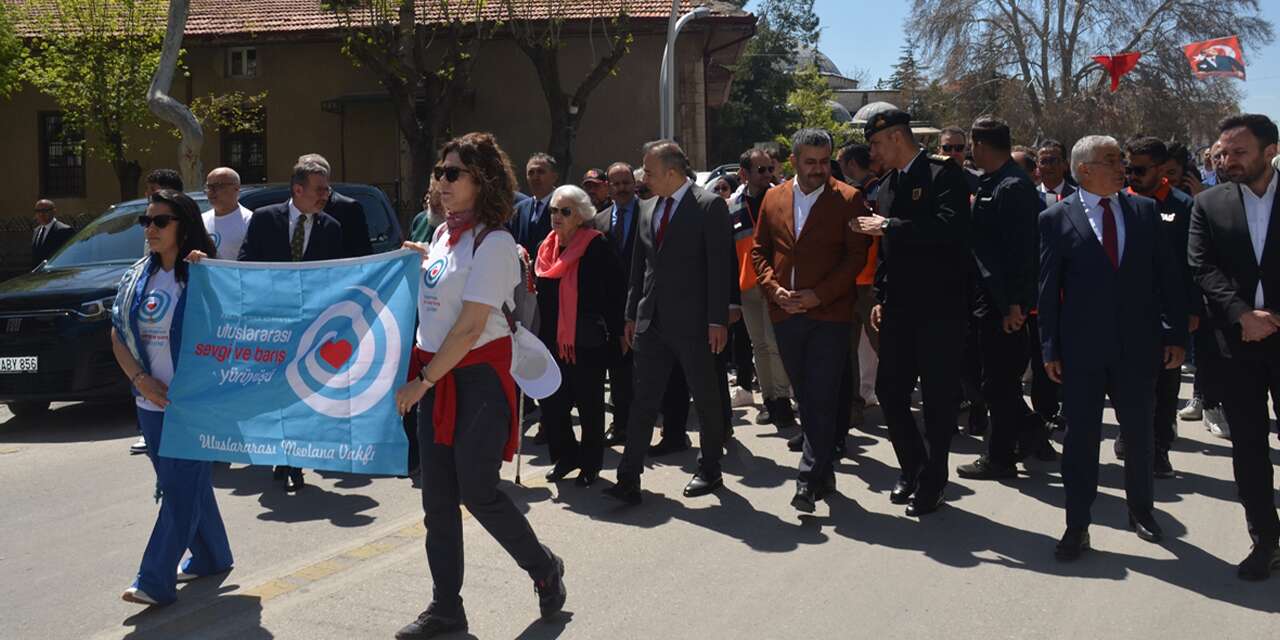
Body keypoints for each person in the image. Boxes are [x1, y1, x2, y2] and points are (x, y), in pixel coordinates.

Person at [393, 132, 565, 638]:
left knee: (478, 491)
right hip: (440, 376)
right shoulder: (444, 235)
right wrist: (421, 255)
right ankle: (446, 607)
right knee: (437, 501)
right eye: (439, 173)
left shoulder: (495, 242)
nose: (441, 182)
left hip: (475, 380)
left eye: (453, 174)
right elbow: (445, 288)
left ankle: (543, 566)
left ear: (482, 180)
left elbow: (469, 328)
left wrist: (421, 382)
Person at [1039, 135, 1187, 562]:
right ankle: (1077, 525)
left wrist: (1175, 334)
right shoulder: (1055, 218)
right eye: (1111, 160)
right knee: (1081, 441)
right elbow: (1048, 289)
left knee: (1139, 436)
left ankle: (1141, 511)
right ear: (1084, 169)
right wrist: (1050, 347)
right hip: (1082, 351)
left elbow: (1167, 279)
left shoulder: (1144, 211)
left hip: (1137, 347)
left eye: (1121, 159)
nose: (1122, 167)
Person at [110, 189, 232, 606]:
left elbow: (228, 329)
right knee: (181, 483)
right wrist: (140, 380)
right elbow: (118, 332)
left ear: (183, 225)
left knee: (179, 490)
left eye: (160, 221)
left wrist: (209, 278)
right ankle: (214, 554)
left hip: (193, 406)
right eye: (146, 221)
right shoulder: (136, 276)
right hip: (149, 403)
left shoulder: (203, 273)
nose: (151, 229)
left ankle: (154, 579)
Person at [852, 108, 971, 518]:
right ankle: (914, 466)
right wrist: (881, 297)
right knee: (890, 391)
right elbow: (887, 256)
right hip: (900, 309)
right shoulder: (887, 185)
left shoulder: (944, 175)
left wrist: (891, 226)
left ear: (897, 138)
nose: (873, 151)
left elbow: (950, 232)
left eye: (876, 143)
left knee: (938, 400)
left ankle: (935, 478)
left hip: (941, 308)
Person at [604, 140, 734, 505]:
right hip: (651, 323)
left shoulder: (708, 207)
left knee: (706, 397)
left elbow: (719, 268)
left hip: (695, 323)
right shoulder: (647, 208)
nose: (643, 176)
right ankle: (629, 477)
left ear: (673, 172)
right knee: (643, 399)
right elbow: (638, 270)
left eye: (648, 170)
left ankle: (710, 468)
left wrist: (716, 320)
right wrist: (631, 314)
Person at [752, 128, 869, 512]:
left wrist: (820, 294)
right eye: (810, 162)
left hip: (829, 315)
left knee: (819, 395)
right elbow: (759, 252)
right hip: (785, 314)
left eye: (824, 162)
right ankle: (825, 474)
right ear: (794, 161)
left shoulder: (849, 199)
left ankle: (806, 480)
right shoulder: (773, 197)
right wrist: (774, 291)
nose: (819, 170)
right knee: (806, 395)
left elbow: (855, 258)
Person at [1188, 114, 1280, 580]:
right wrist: (1243, 314)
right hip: (1237, 342)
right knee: (1248, 448)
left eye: (1239, 152)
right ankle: (1265, 539)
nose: (1227, 161)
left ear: (1270, 150)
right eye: (1222, 153)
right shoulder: (1209, 203)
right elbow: (1202, 266)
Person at [238, 154, 344, 491]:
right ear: (298, 189)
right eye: (319, 189)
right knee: (274, 390)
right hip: (272, 323)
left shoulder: (331, 227)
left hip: (311, 325)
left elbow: (337, 277)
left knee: (303, 390)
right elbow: (245, 263)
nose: (325, 194)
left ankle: (295, 457)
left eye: (327, 189)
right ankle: (279, 450)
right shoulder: (265, 220)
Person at [956, 117, 1051, 482]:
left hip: (1005, 302)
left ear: (980, 145)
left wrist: (1016, 305)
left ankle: (1000, 457)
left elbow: (1023, 252)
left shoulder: (1013, 187)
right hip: (986, 296)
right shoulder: (992, 182)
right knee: (984, 377)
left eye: (970, 145)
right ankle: (1029, 432)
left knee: (999, 382)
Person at [1116, 137, 1199, 478]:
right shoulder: (1118, 203)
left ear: (1163, 170)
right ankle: (1129, 433)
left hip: (1167, 313)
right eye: (1128, 168)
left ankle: (1160, 449)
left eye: (1140, 169)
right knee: (1124, 383)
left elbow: (1194, 264)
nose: (1132, 176)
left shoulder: (1183, 206)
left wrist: (1191, 311)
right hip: (1124, 313)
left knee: (1165, 387)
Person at [536, 185, 625, 486]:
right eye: (553, 210)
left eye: (565, 211)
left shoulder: (597, 244)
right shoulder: (546, 247)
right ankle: (566, 455)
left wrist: (618, 334)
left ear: (581, 215)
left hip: (586, 341)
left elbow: (614, 294)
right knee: (552, 402)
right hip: (552, 340)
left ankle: (590, 463)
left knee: (589, 404)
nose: (556, 217)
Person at [732, 148, 795, 429]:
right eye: (761, 170)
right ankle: (768, 401)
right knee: (759, 345)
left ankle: (783, 402)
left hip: (775, 284)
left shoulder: (784, 199)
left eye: (770, 169)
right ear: (744, 174)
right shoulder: (732, 206)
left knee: (775, 344)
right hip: (747, 287)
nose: (768, 174)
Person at [591, 163, 645, 445]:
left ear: (634, 185)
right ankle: (621, 424)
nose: (622, 188)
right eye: (616, 183)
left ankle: (650, 425)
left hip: (645, 305)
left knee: (647, 371)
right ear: (608, 187)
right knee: (619, 370)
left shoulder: (648, 214)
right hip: (612, 309)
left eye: (627, 182)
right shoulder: (598, 222)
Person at [839, 144, 883, 431]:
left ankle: (895, 404)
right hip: (851, 282)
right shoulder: (849, 194)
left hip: (872, 284)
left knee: (884, 347)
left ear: (852, 163)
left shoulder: (879, 191)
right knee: (848, 350)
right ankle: (852, 407)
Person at [510, 153, 560, 257]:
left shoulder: (563, 206)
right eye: (531, 173)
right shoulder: (520, 209)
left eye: (541, 172)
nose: (535, 177)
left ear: (554, 177)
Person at [200, 167, 254, 262]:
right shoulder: (201, 220)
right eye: (209, 187)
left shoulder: (250, 221)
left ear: (236, 188)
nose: (212, 191)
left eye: (218, 186)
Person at [30, 199, 74, 268]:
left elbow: (69, 256)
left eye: (45, 211)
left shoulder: (64, 230)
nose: (41, 214)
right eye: (38, 211)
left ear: (54, 211)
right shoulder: (36, 231)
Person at [938, 126, 981, 192]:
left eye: (959, 147)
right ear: (939, 151)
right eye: (947, 148)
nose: (953, 153)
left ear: (966, 150)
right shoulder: (927, 179)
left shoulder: (978, 181)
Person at [1036, 140, 1075, 206]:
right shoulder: (1030, 196)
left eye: (1054, 161)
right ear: (1037, 165)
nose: (1048, 167)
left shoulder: (1077, 196)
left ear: (1065, 164)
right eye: (1043, 161)